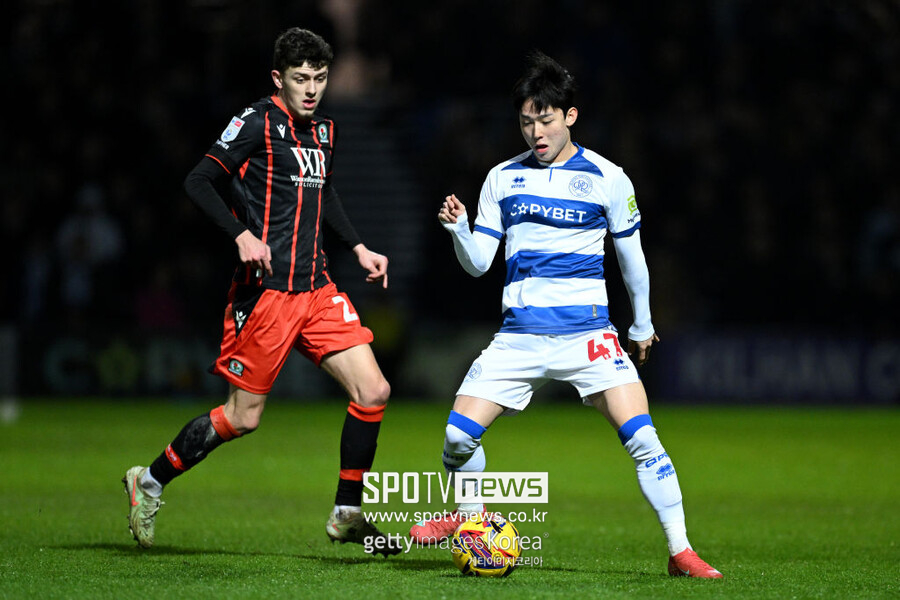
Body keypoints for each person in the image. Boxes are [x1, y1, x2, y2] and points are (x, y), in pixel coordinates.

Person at [409, 52, 723, 578]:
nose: (536, 131)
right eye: (527, 121)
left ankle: (680, 551)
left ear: (570, 115)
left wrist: (641, 325)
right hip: (519, 340)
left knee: (644, 439)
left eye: (546, 118)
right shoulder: (501, 179)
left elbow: (632, 259)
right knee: (458, 438)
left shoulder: (607, 177)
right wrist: (461, 231)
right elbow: (480, 264)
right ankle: (469, 519)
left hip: (588, 339)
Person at [123, 28, 400, 556]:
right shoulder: (255, 123)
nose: (312, 89)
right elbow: (199, 181)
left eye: (319, 78)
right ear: (279, 78)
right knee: (243, 417)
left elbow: (326, 192)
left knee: (374, 391)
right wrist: (241, 234)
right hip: (266, 294)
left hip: (317, 288)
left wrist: (359, 247)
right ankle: (150, 481)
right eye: (301, 79)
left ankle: (346, 513)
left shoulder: (324, 131)